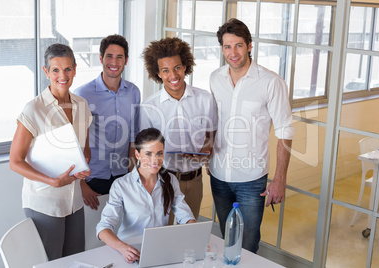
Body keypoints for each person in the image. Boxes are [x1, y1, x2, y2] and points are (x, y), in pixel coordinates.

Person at [209, 18, 295, 253]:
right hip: (218, 174)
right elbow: (215, 121)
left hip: (251, 178)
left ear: (249, 45)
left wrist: (279, 179)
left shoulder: (271, 82)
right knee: (227, 237)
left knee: (247, 244)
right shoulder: (215, 78)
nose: (233, 52)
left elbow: (285, 131)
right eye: (227, 46)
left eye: (238, 45)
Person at [9, 43, 92, 260]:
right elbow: (15, 161)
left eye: (67, 69)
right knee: (51, 262)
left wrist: (84, 166)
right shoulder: (33, 109)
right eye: (55, 70)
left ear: (75, 69)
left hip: (74, 201)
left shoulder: (82, 104)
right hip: (45, 201)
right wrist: (51, 181)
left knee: (76, 259)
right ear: (46, 72)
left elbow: (85, 149)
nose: (62, 75)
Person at [140, 37, 218, 224]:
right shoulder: (149, 106)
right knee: (163, 234)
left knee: (189, 235)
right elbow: (144, 149)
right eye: (165, 70)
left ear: (185, 67)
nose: (173, 75)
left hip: (195, 180)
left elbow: (211, 133)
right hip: (163, 179)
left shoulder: (205, 99)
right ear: (158, 73)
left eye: (177, 68)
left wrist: (206, 150)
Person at [96, 128, 196, 263]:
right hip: (129, 250)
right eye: (148, 154)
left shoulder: (170, 180)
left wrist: (195, 233)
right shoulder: (121, 185)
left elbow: (186, 216)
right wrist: (123, 248)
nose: (155, 160)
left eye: (159, 153)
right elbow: (103, 228)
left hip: (160, 248)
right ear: (137, 154)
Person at [75, 34, 141, 210]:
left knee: (121, 230)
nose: (114, 62)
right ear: (100, 58)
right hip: (93, 178)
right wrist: (81, 186)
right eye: (109, 56)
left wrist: (132, 175)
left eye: (119, 57)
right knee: (93, 233)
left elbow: (133, 138)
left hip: (123, 176)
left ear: (126, 60)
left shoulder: (133, 92)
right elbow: (73, 144)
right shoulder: (83, 94)